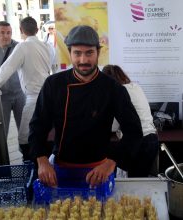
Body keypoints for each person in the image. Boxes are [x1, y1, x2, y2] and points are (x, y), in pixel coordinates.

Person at [28, 25, 143, 187]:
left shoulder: (112, 88)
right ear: (69, 53)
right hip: (61, 167)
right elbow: (37, 126)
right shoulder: (54, 84)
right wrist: (41, 160)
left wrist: (111, 163)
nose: (83, 60)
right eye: (77, 53)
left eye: (89, 53)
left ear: (98, 53)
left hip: (99, 170)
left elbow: (134, 131)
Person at [0, 17, 51, 161]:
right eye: (2, 32)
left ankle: (32, 167)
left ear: (19, 30)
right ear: (37, 30)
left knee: (25, 137)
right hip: (45, 97)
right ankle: (39, 165)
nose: (6, 36)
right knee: (40, 131)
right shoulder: (46, 46)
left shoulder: (21, 47)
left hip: (29, 97)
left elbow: (6, 69)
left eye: (9, 32)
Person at [102, 64, 159, 177]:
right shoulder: (135, 86)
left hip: (139, 142)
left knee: (134, 181)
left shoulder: (119, 91)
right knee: (140, 179)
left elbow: (112, 126)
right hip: (152, 139)